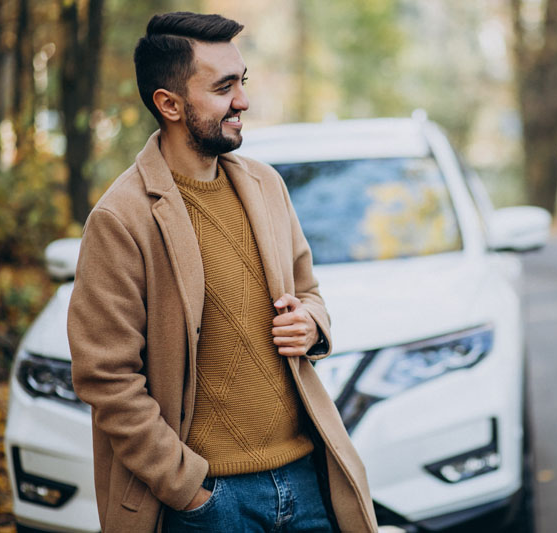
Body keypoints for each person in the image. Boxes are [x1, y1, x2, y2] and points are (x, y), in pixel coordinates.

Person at [68, 11, 376, 533]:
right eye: (223, 87)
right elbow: (106, 378)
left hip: (305, 479)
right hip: (209, 502)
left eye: (243, 82)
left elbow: (309, 292)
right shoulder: (121, 218)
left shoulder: (266, 185)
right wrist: (189, 489)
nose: (243, 101)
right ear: (169, 104)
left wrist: (311, 325)